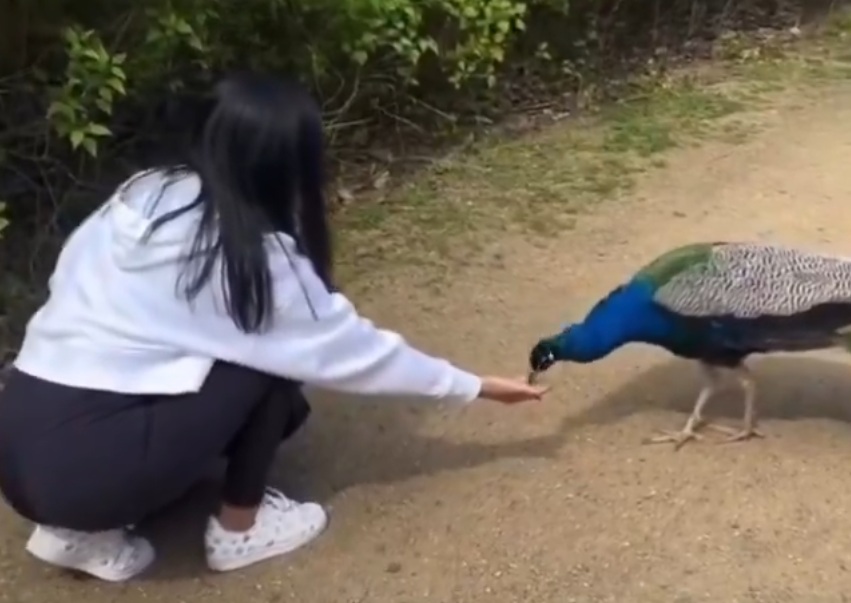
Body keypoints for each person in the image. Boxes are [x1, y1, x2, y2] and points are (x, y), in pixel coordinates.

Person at [0, 72, 548, 583]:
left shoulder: (146, 192)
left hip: (18, 442)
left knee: (221, 360)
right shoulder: (253, 258)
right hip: (88, 467)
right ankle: (240, 530)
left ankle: (75, 531)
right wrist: (475, 385)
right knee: (264, 363)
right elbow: (352, 350)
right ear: (283, 166)